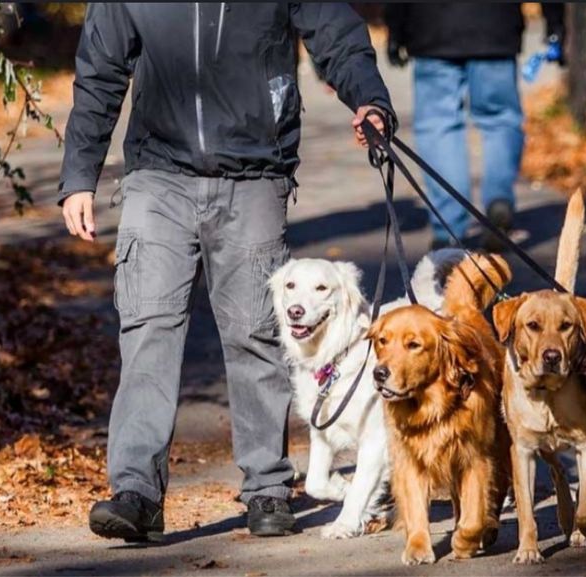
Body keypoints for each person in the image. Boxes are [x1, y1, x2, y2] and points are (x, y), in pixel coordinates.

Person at [58, 3, 392, 541]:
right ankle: (136, 491)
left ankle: (267, 486)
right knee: (147, 330)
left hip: (255, 171)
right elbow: (100, 66)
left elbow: (335, 32)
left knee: (255, 333)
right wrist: (79, 174)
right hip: (157, 175)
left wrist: (370, 101)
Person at [385, 3, 565, 251]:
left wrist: (396, 27)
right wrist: (555, 21)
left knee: (438, 125)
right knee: (500, 118)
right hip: (495, 26)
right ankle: (499, 198)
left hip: (431, 28)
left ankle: (448, 225)